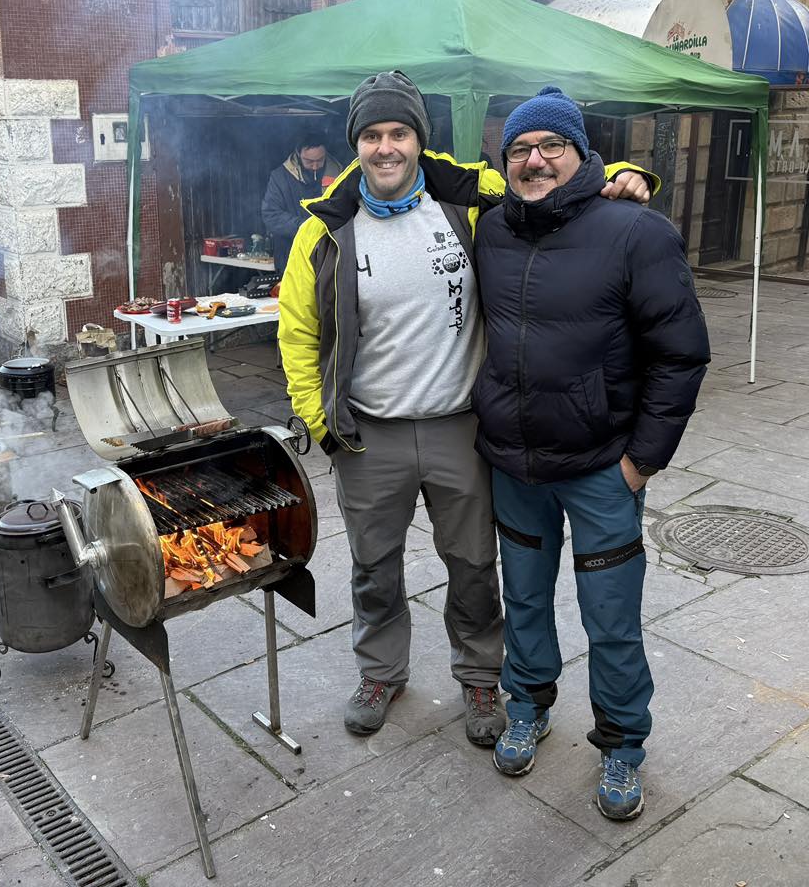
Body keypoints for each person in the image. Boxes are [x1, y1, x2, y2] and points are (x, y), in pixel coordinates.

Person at [278, 71, 654, 747]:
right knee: (373, 565)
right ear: (354, 144)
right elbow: (298, 333)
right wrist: (320, 424)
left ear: (419, 139)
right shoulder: (324, 231)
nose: (386, 147)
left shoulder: (468, 200)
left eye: (399, 132)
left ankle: (481, 673)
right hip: (368, 435)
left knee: (475, 564)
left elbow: (551, 181)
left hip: (462, 427)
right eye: (371, 135)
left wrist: (627, 176)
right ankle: (380, 671)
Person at [471, 85, 709, 820]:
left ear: (581, 154)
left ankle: (623, 744)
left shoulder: (636, 231)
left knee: (611, 618)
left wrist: (642, 461)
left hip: (603, 467)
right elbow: (416, 169)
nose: (535, 160)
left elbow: (681, 355)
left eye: (552, 146)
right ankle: (528, 705)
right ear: (503, 161)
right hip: (515, 464)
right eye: (520, 149)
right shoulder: (491, 229)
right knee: (525, 600)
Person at [262, 133, 341, 275]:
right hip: (290, 257)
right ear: (298, 154)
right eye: (309, 161)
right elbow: (271, 215)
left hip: (329, 257)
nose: (315, 166)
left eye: (320, 160)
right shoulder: (280, 177)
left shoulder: (339, 173)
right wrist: (307, 227)